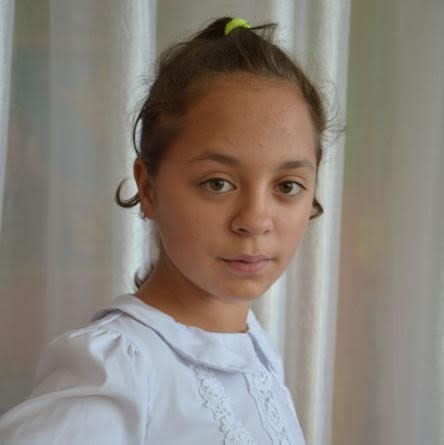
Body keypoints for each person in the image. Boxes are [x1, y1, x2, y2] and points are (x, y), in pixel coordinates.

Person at [0, 16, 328, 444]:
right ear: (148, 187)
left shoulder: (257, 350)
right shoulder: (117, 369)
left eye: (287, 186)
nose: (255, 220)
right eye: (218, 183)